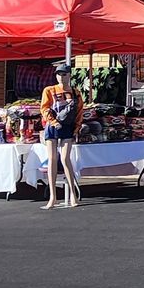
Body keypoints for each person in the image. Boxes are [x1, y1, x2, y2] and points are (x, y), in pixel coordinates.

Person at [39, 63, 83, 209]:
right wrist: (52, 121)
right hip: (52, 127)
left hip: (68, 127)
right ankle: (53, 196)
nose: (61, 77)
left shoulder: (76, 92)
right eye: (58, 74)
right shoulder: (49, 90)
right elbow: (44, 108)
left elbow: (79, 112)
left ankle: (72, 194)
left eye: (64, 74)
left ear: (69, 75)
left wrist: (77, 128)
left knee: (65, 158)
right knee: (52, 159)